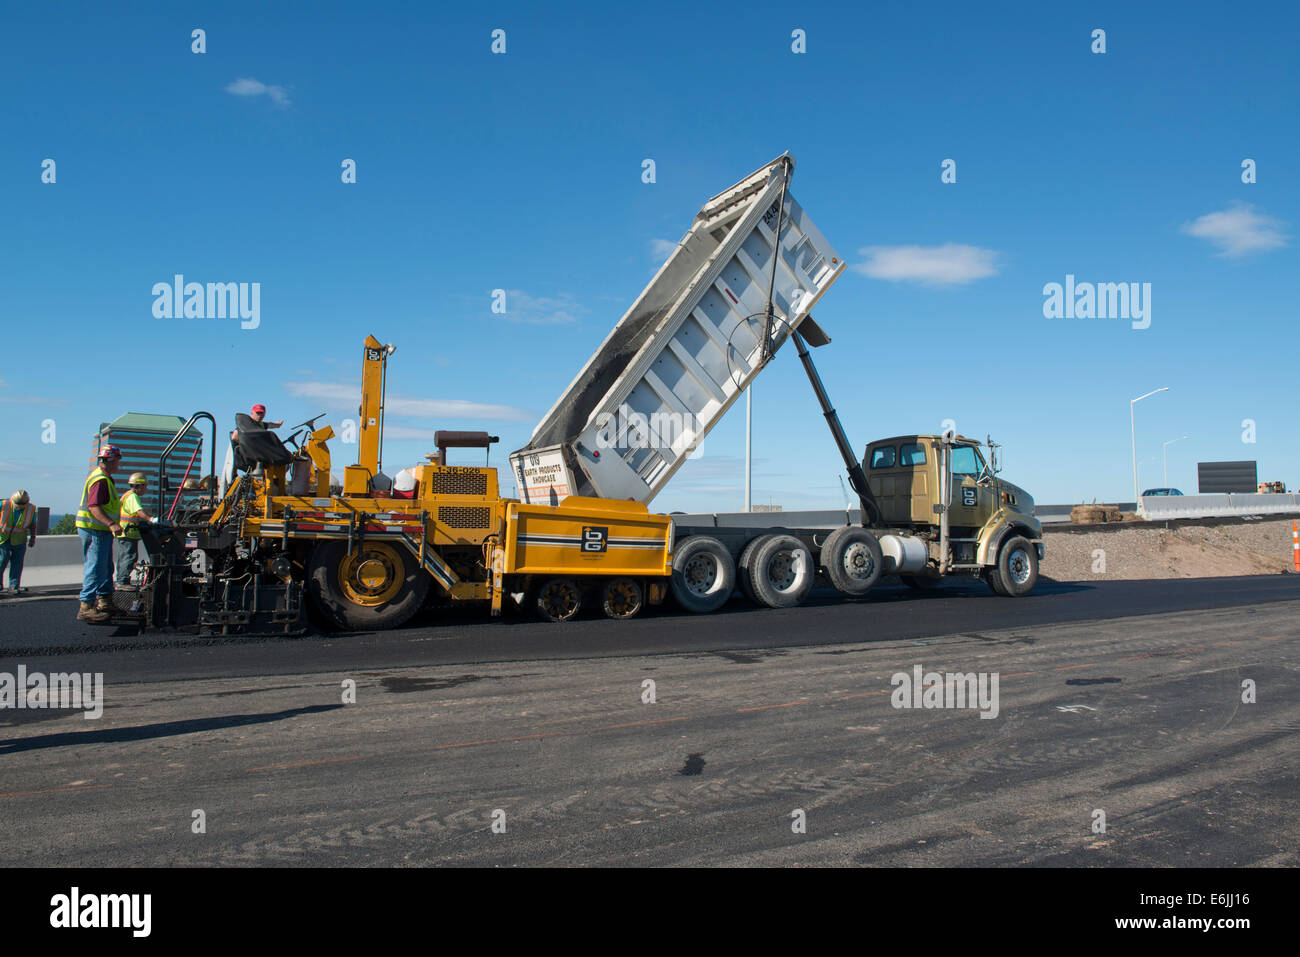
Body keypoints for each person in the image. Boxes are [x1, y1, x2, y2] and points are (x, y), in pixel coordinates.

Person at [75, 446, 124, 623]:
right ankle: (86, 606)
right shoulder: (101, 480)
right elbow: (94, 507)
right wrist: (111, 523)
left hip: (99, 530)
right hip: (94, 529)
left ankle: (105, 601)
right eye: (117, 460)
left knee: (105, 566)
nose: (119, 464)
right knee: (95, 567)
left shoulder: (104, 478)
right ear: (111, 461)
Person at [221, 403, 283, 495]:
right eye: (257, 413)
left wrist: (277, 425)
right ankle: (227, 493)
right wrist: (249, 445)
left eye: (261, 413)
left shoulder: (261, 425)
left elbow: (269, 425)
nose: (259, 415)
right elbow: (234, 436)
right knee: (229, 473)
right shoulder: (247, 424)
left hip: (252, 455)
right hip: (240, 454)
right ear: (252, 413)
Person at [114, 472, 159, 586]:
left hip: (126, 533)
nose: (146, 489)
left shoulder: (127, 495)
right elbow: (139, 511)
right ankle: (122, 582)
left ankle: (121, 580)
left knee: (125, 557)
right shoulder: (133, 497)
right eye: (145, 486)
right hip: (128, 533)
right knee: (129, 557)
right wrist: (150, 519)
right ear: (140, 485)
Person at [0, 489, 37, 594]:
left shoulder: (31, 509)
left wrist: (33, 537)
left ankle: (14, 586)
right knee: (2, 560)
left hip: (19, 539)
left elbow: (32, 524)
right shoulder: (4, 505)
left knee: (17, 563)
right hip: (3, 538)